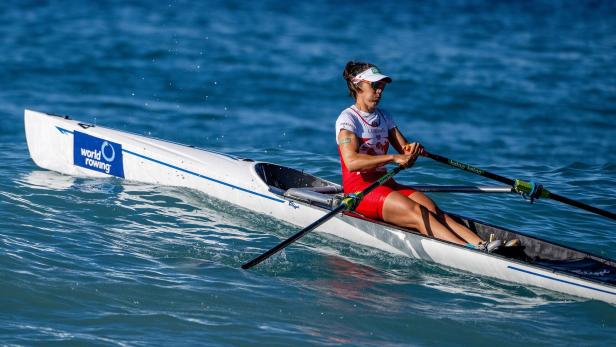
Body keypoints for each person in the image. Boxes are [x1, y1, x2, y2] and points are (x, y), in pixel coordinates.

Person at [336, 61, 501, 251]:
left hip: (385, 184)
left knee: (433, 209)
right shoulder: (348, 120)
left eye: (382, 86)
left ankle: (482, 245)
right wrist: (392, 158)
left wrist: (412, 151)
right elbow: (352, 162)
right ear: (357, 85)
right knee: (418, 213)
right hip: (360, 191)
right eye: (374, 85)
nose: (380, 90)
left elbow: (405, 153)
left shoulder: (384, 116)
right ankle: (468, 251)